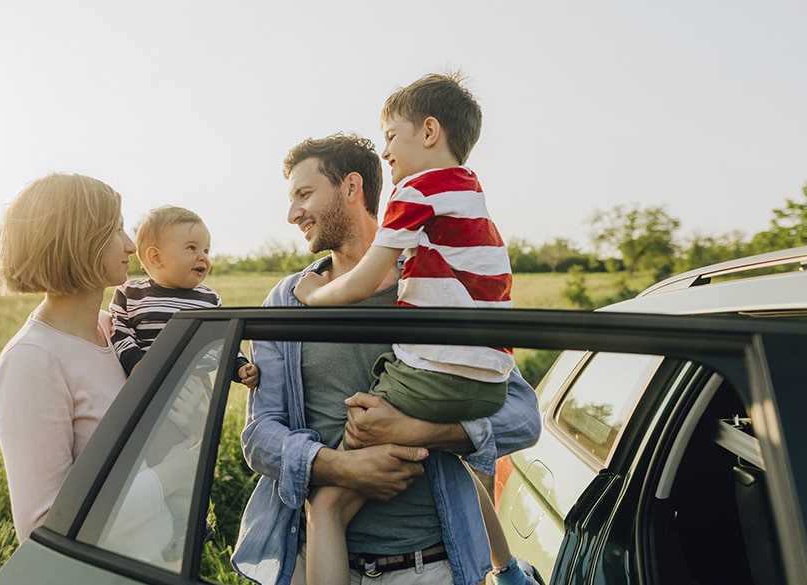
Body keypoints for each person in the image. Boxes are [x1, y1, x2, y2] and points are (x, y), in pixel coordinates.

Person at [232, 133, 541, 585]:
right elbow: (259, 436)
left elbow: (522, 416)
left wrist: (421, 431)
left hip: (431, 566)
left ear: (352, 188)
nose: (292, 213)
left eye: (304, 194)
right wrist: (341, 466)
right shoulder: (287, 302)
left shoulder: (435, 289)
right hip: (309, 558)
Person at [292, 73, 530, 585]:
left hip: (436, 379)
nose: (386, 153)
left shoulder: (418, 191)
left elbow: (362, 282)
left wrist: (313, 298)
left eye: (391, 138)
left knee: (327, 505)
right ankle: (502, 564)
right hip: (485, 374)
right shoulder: (471, 196)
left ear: (428, 131)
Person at [0, 173, 190, 546]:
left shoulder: (114, 332)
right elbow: (43, 526)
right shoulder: (33, 360)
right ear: (78, 241)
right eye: (116, 230)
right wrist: (169, 477)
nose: (130, 245)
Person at [109, 204, 259, 388]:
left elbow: (222, 340)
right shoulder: (131, 293)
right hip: (147, 384)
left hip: (195, 386)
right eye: (191, 248)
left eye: (206, 250)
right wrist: (135, 364)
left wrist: (240, 367)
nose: (203, 257)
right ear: (156, 257)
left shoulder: (209, 298)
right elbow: (120, 333)